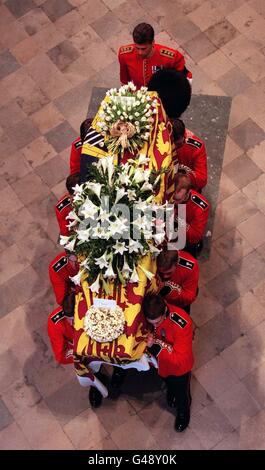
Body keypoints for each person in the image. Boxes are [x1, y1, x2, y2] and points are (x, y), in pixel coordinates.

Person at [142, 293, 193, 432]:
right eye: (151, 323)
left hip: (179, 370)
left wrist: (155, 345)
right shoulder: (152, 314)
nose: (155, 325)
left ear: (165, 311)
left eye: (157, 322)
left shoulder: (182, 324)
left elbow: (179, 359)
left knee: (182, 392)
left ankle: (183, 412)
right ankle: (171, 393)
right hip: (162, 363)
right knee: (168, 382)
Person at [118, 23, 192, 90]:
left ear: (153, 43)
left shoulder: (171, 58)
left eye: (144, 49)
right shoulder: (124, 54)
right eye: (137, 48)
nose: (140, 52)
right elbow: (124, 82)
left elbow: (186, 79)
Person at [173, 175, 210, 257]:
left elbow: (195, 236)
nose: (174, 202)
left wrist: (176, 218)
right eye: (173, 198)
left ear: (188, 193)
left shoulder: (200, 208)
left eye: (178, 199)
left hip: (186, 239)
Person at [156, 249, 199, 314]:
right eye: (161, 273)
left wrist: (168, 289)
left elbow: (189, 297)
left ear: (177, 262)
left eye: (168, 273)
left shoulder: (191, 267)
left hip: (177, 305)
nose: (165, 276)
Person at [171, 119, 207, 191]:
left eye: (179, 144)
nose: (182, 144)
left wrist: (183, 176)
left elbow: (202, 179)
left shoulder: (196, 148)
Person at [47, 293, 75, 365]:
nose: (72, 323)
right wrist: (82, 352)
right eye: (70, 320)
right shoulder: (55, 323)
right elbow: (62, 356)